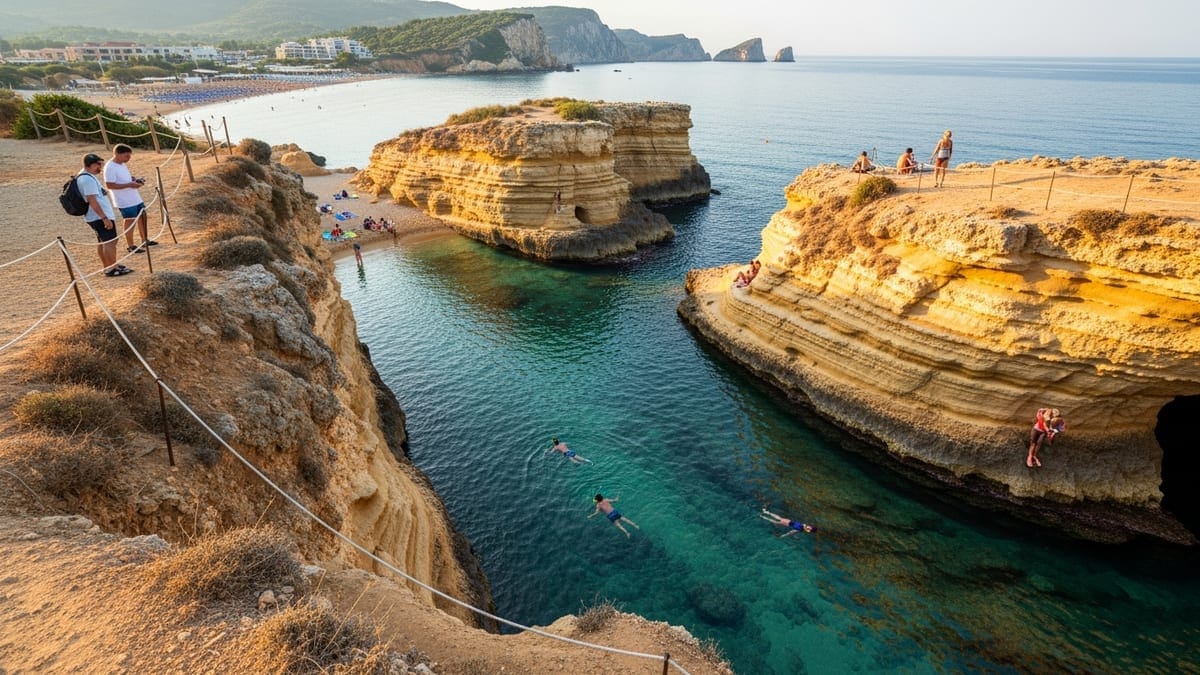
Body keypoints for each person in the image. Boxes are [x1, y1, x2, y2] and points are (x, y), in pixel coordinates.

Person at [78, 153, 130, 277]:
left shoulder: (86, 175)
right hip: (99, 216)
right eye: (98, 164)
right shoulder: (86, 179)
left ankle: (109, 265)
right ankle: (111, 268)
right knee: (110, 241)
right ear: (90, 165)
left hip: (97, 216)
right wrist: (104, 218)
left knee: (104, 241)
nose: (100, 167)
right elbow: (92, 200)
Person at [103, 144, 154, 254]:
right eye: (126, 156)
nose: (128, 159)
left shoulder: (122, 164)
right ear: (117, 154)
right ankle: (131, 245)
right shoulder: (110, 167)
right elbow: (109, 185)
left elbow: (123, 179)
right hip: (124, 200)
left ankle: (144, 240)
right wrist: (129, 185)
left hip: (134, 197)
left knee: (142, 217)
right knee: (130, 221)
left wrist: (134, 180)